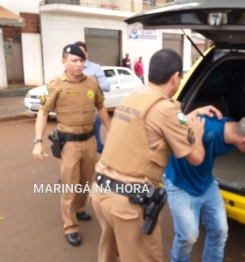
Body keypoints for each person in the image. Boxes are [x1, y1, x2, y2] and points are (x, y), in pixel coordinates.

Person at [90, 48, 223, 262]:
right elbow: (196, 157)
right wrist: (196, 135)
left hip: (101, 192)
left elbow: (157, 125)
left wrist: (191, 115)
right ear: (176, 77)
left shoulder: (133, 97)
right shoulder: (168, 109)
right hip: (128, 203)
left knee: (110, 255)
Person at [164, 114, 245, 262]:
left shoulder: (231, 129)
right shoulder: (206, 127)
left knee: (220, 231)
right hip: (180, 183)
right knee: (188, 237)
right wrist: (192, 116)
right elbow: (174, 120)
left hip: (206, 182)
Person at [32, 44, 111, 247]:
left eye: (81, 61)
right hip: (69, 144)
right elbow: (42, 112)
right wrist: (38, 141)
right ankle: (70, 226)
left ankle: (78, 208)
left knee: (86, 179)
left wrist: (111, 131)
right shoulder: (55, 85)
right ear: (64, 62)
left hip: (90, 141)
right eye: (74, 61)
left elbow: (101, 107)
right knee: (69, 184)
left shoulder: (92, 82)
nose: (78, 64)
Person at [74, 41, 110, 154]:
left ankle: (111, 162)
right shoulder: (72, 68)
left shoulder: (95, 68)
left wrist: (92, 86)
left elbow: (107, 86)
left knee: (96, 145)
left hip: (93, 114)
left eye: (81, 52)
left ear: (87, 53)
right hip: (76, 116)